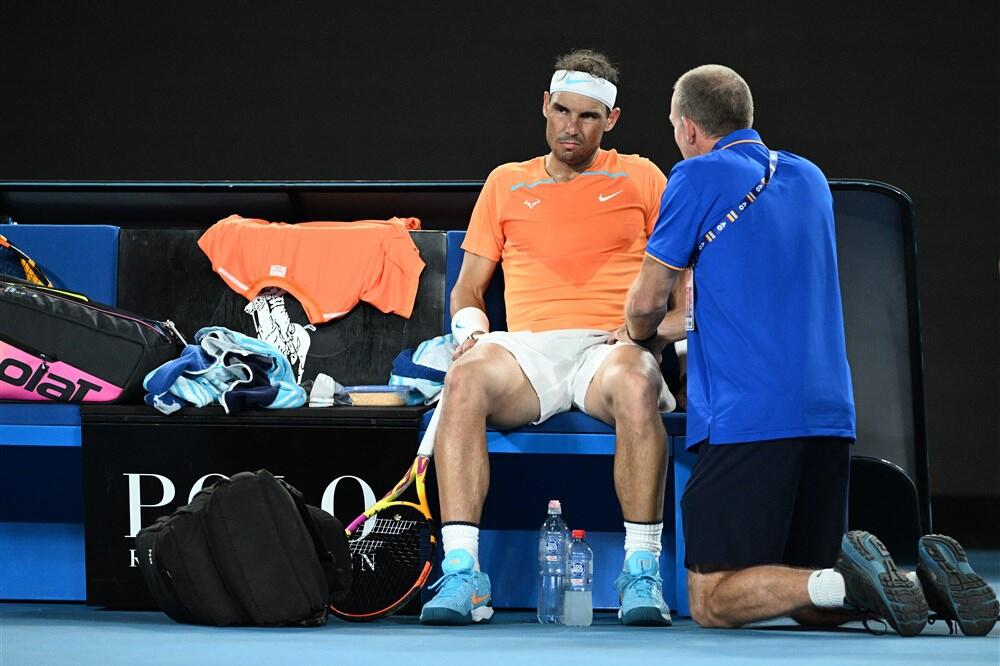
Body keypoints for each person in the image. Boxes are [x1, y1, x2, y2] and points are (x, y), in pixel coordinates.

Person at [622, 64, 998, 636]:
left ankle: (856, 581)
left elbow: (646, 302)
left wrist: (640, 335)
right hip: (828, 417)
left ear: (690, 128)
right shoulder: (810, 177)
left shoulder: (695, 177)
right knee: (804, 589)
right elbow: (752, 292)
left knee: (712, 599)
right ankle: (924, 587)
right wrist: (687, 323)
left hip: (750, 417)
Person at [418, 49, 684, 627]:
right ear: (545, 105)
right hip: (528, 350)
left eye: (588, 116)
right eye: (561, 110)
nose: (571, 126)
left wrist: (656, 335)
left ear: (610, 120)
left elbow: (685, 292)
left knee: (639, 380)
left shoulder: (643, 177)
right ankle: (464, 572)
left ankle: (641, 572)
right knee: (464, 378)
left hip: (609, 349)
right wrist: (469, 329)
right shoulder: (505, 183)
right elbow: (467, 291)